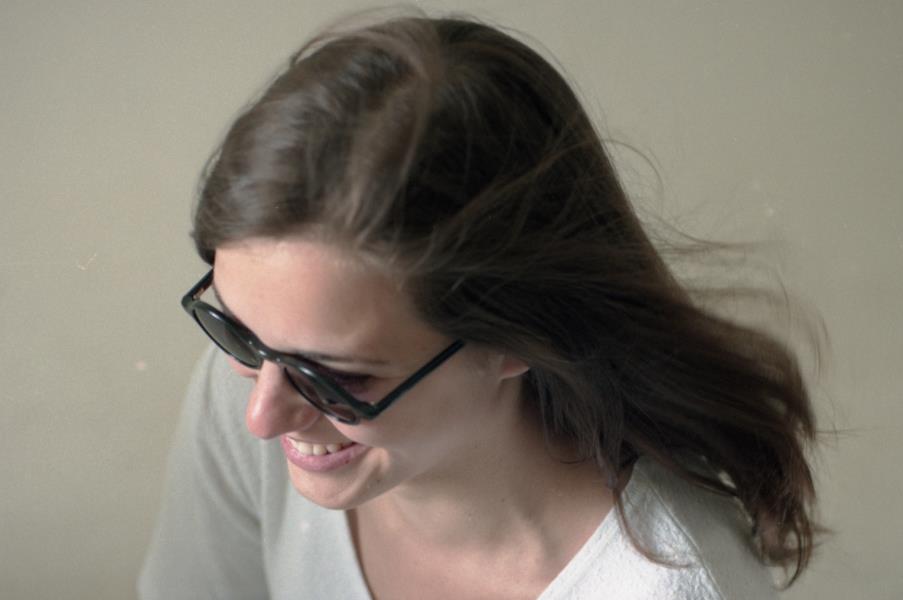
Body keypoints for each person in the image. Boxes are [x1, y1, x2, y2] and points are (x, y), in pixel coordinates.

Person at [139, 12, 822, 600]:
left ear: (518, 335)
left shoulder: (668, 586)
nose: (263, 415)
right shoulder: (254, 386)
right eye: (239, 333)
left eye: (340, 377)